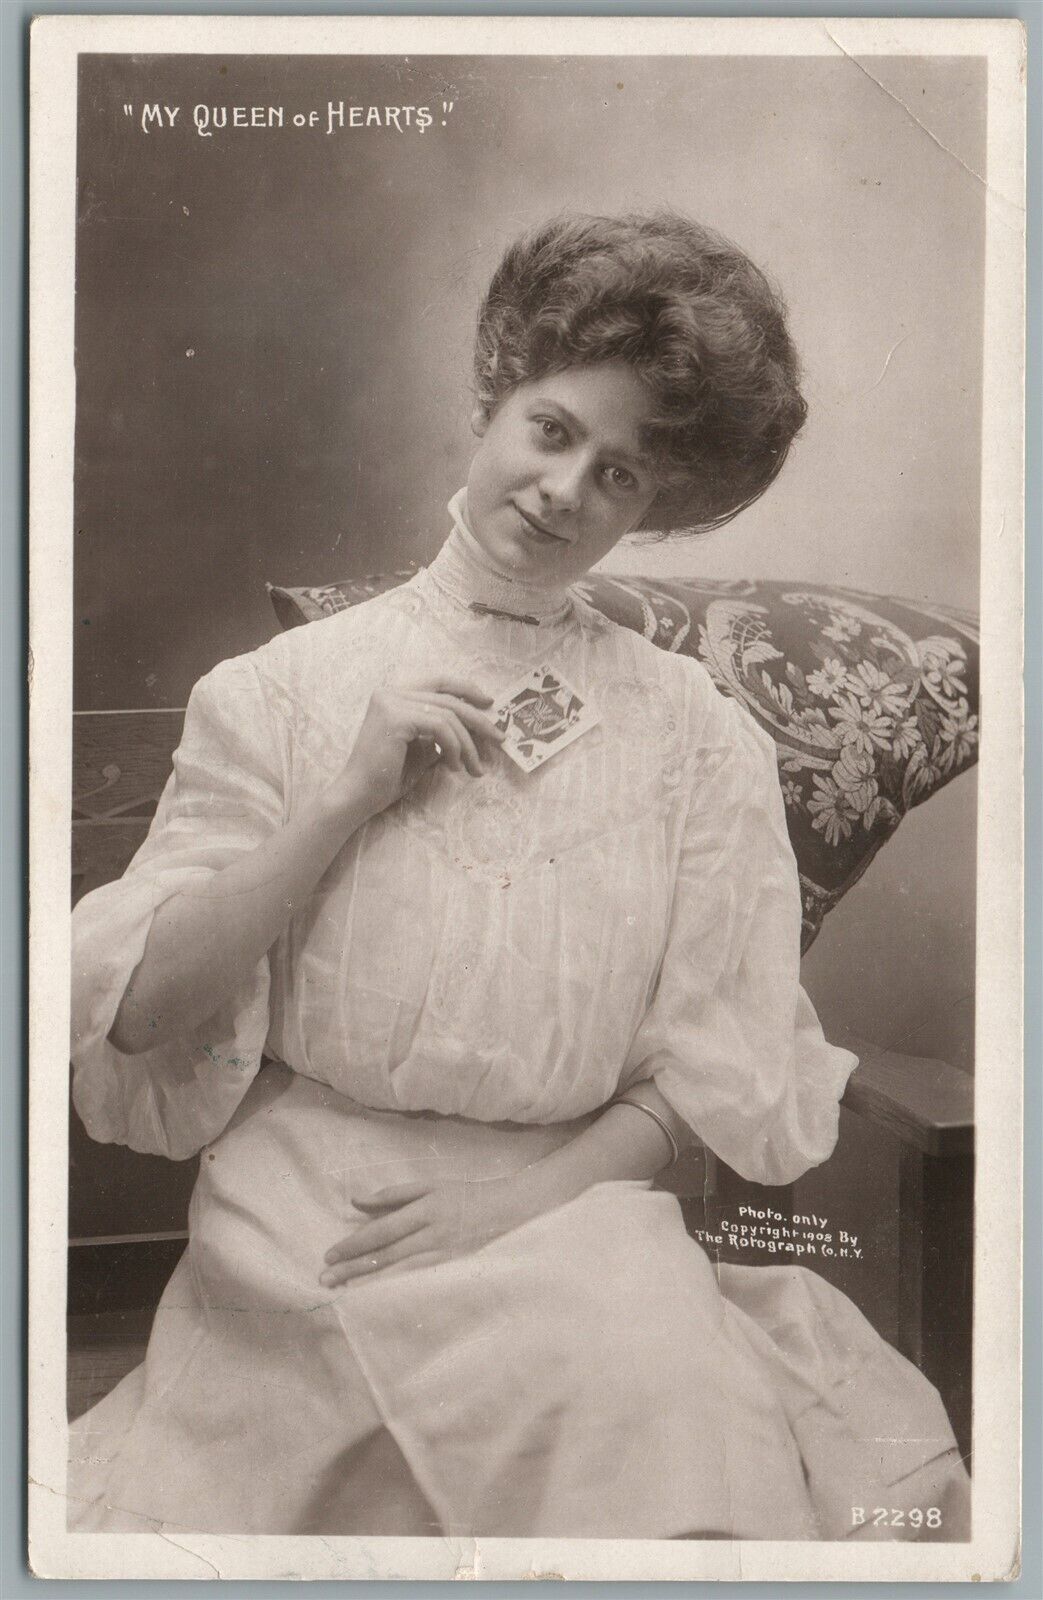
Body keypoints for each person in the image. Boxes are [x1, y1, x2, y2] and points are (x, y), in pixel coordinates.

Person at [68, 212, 970, 1541]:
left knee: (660, 1429)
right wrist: (340, 802)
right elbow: (141, 1017)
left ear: (655, 507)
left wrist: (520, 1201)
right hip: (310, 1205)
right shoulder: (277, 693)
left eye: (619, 477)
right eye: (553, 433)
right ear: (494, 402)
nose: (564, 492)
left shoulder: (693, 730)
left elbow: (707, 1064)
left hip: (576, 1206)